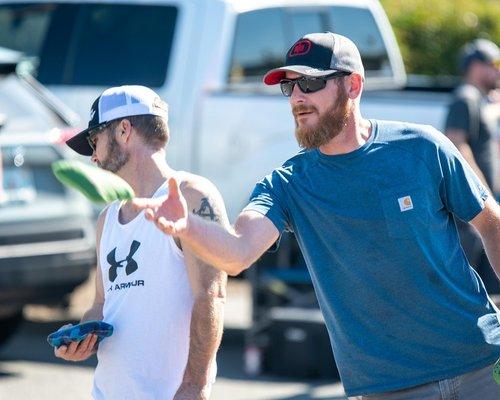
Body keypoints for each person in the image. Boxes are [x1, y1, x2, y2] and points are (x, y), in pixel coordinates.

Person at [134, 32, 500, 399]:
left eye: (310, 82)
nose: (297, 98)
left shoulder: (422, 147)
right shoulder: (287, 184)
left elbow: (490, 222)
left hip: (483, 362)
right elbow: (238, 252)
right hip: (391, 387)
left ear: (353, 85)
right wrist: (188, 226)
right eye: (290, 87)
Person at [54, 85, 228, 400]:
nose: (93, 155)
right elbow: (101, 304)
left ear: (124, 130)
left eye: (95, 140)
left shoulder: (191, 195)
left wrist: (195, 386)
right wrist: (81, 337)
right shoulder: (107, 219)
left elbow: (211, 296)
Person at [445, 39, 500, 297]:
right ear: (477, 67)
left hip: (483, 209)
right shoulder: (465, 98)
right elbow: (458, 145)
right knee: (468, 286)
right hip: (475, 212)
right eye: (496, 64)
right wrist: (484, 196)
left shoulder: (480, 100)